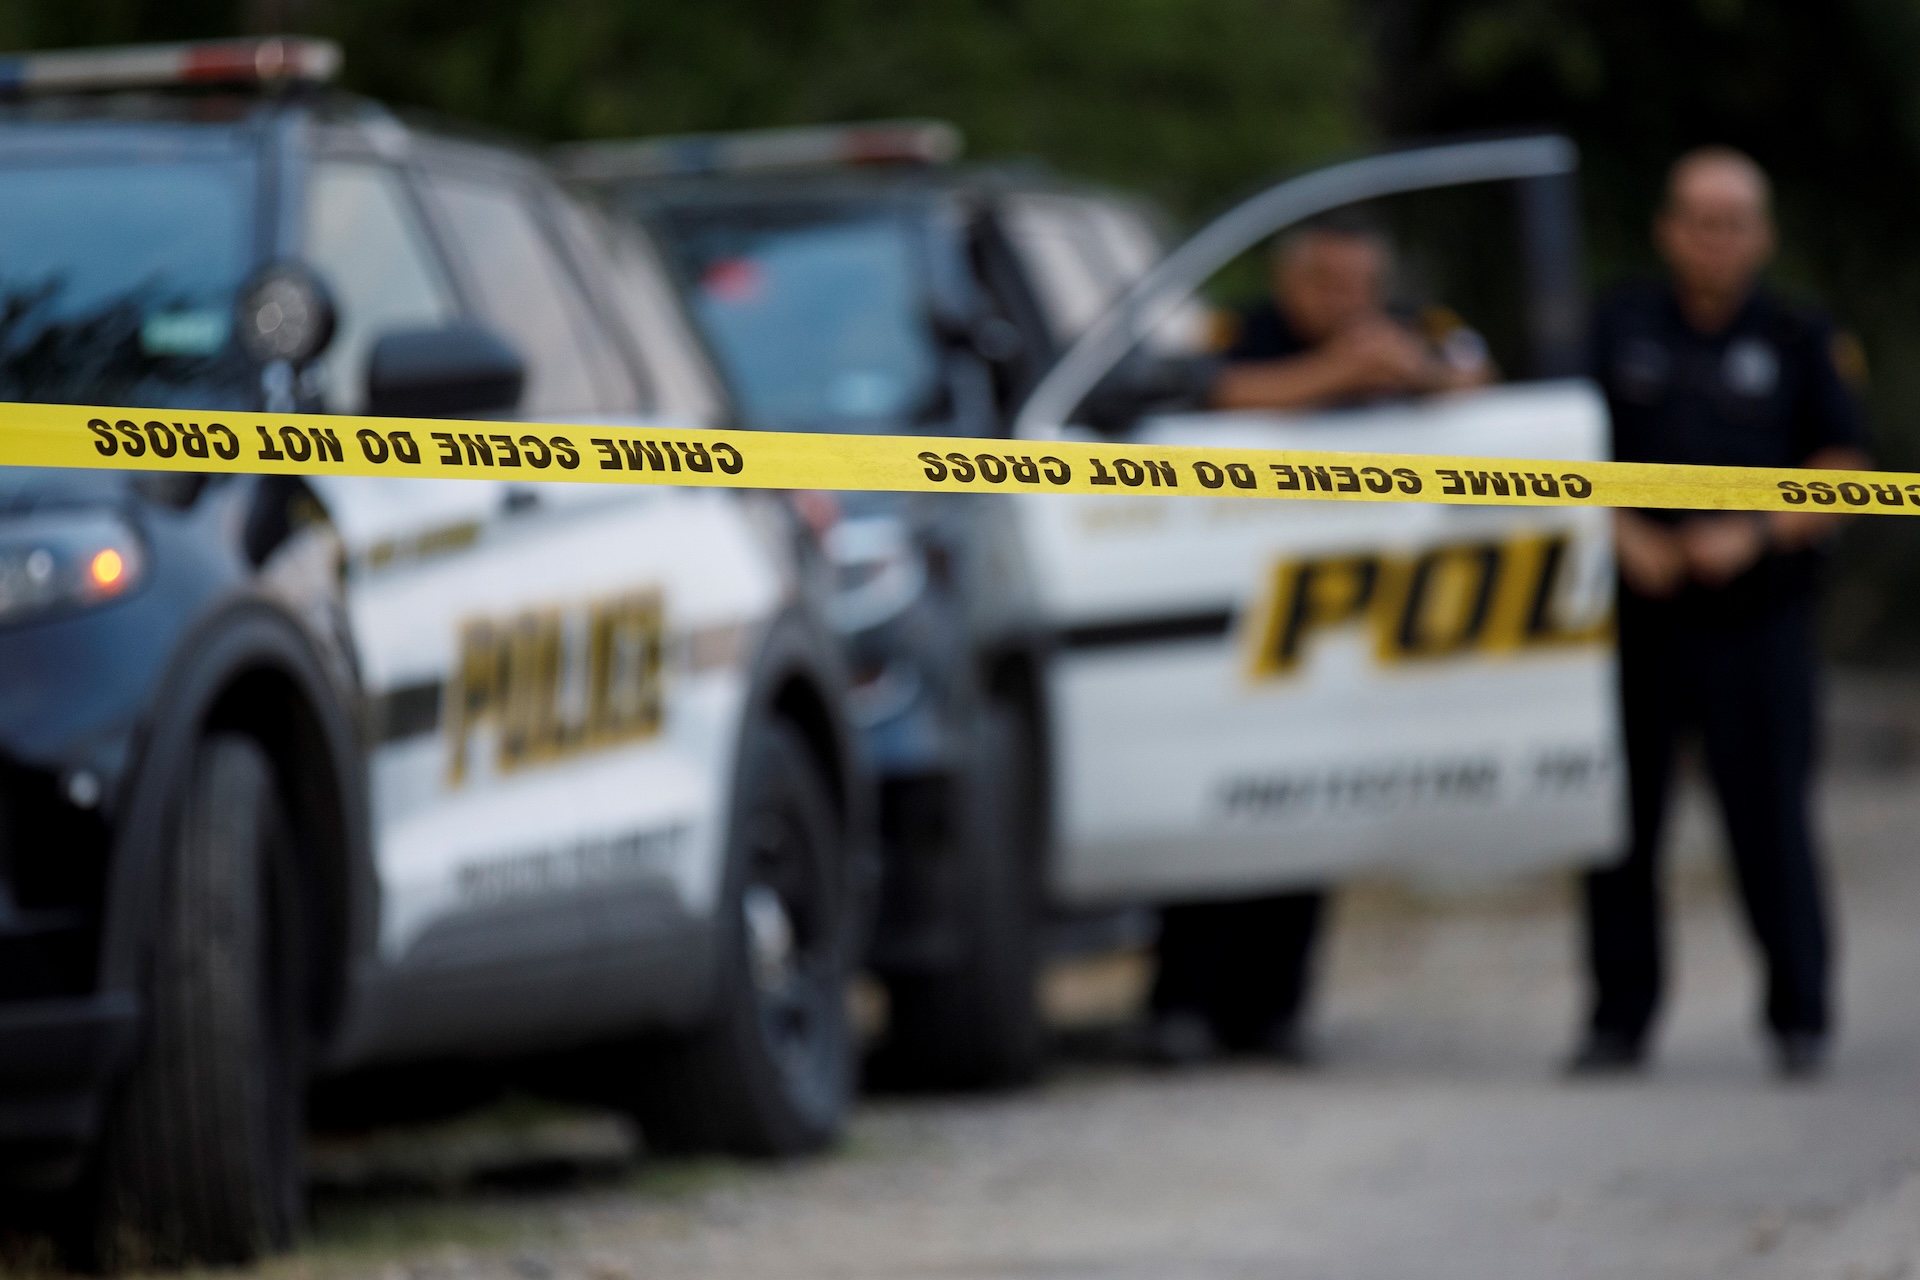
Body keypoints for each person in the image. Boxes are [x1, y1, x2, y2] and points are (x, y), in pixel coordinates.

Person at [1146, 220, 1491, 1067]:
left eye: (1357, 287)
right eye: (1324, 284)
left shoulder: (1415, 325)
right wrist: (1331, 375)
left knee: (1309, 803)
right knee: (1214, 803)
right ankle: (1181, 1003)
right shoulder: (1237, 329)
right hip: (1231, 604)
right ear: (1289, 278)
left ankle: (1276, 1010)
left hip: (1340, 611)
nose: (1341, 303)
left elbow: (1481, 377)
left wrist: (1413, 371)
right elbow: (1202, 394)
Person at [1574, 147, 1871, 1080]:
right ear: (1669, 230)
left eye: (1734, 219)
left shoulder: (1797, 335)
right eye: (1700, 219)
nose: (1715, 237)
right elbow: (1560, 447)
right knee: (1620, 825)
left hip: (1757, 615)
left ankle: (1800, 1017)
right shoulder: (1617, 324)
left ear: (1762, 235)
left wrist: (1754, 532)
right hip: (1640, 611)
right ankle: (1617, 1021)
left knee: (1770, 821)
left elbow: (1848, 471)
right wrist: (1626, 535)